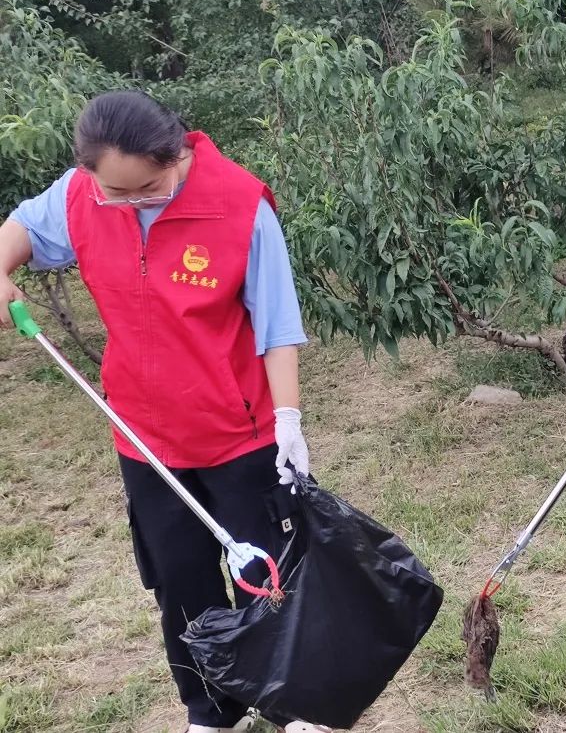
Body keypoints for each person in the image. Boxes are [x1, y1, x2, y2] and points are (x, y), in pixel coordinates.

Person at [0, 91, 325, 732]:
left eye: (147, 188)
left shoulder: (238, 205)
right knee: (181, 583)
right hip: (145, 439)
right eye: (113, 194)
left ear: (175, 153)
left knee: (268, 577)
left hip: (240, 435)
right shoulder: (80, 196)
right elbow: (19, 231)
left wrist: (288, 420)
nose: (131, 204)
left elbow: (277, 325)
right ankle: (210, 710)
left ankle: (293, 707)